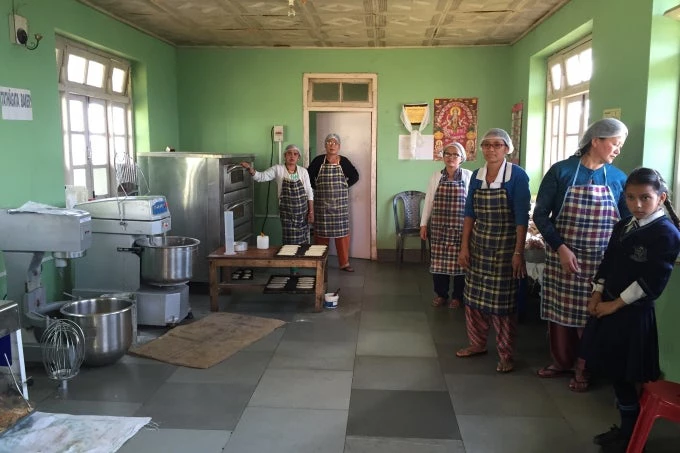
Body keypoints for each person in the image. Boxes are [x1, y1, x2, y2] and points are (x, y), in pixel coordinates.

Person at [580, 168, 680, 453]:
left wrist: (614, 304)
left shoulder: (666, 233)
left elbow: (650, 282)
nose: (637, 204)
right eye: (631, 197)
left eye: (645, 198)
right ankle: (627, 428)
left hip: (632, 315)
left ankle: (632, 433)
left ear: (660, 198)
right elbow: (608, 262)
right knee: (614, 373)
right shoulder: (624, 225)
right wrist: (597, 292)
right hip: (608, 306)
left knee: (625, 375)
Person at [533, 118, 630, 392]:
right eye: (615, 143)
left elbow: (624, 224)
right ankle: (561, 361)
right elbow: (541, 215)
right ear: (596, 140)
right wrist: (561, 247)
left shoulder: (618, 179)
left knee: (591, 317)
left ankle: (584, 369)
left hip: (600, 261)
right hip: (563, 256)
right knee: (560, 315)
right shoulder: (561, 172)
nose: (618, 150)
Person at [456, 128, 531, 373]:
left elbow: (522, 217)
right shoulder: (477, 176)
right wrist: (464, 247)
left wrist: (518, 253)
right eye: (486, 145)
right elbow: (469, 213)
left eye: (497, 145)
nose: (491, 149)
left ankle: (506, 354)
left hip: (506, 246)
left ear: (507, 149)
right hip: (479, 244)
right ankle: (477, 343)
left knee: (502, 304)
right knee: (473, 300)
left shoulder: (517, 176)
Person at [420, 142, 472, 309]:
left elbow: (472, 204)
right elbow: (429, 201)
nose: (450, 157)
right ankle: (441, 294)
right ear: (443, 157)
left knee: (460, 263)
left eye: (455, 154)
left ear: (462, 158)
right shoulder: (436, 176)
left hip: (460, 229)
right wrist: (423, 224)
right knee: (438, 264)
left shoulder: (468, 176)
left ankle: (457, 297)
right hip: (439, 227)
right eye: (447, 154)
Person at [241, 144, 314, 245]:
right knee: (290, 244)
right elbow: (261, 177)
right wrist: (250, 169)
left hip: (303, 214)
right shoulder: (278, 169)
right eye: (289, 153)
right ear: (285, 155)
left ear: (298, 157)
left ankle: (301, 260)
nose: (292, 156)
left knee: (303, 242)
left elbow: (309, 191)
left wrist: (311, 211)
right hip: (286, 214)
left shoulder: (303, 171)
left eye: (295, 154)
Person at [307, 133, 359, 272]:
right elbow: (308, 176)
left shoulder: (344, 161)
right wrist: (315, 186)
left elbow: (355, 176)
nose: (332, 145)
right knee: (321, 235)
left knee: (342, 235)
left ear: (339, 146)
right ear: (325, 145)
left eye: (335, 143)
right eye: (329, 142)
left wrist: (345, 185)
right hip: (321, 204)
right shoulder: (318, 161)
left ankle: (344, 263)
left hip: (339, 205)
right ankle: (320, 262)